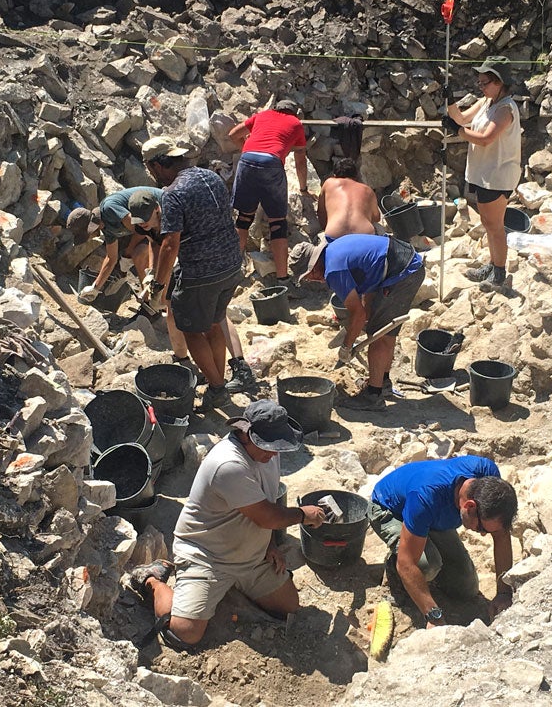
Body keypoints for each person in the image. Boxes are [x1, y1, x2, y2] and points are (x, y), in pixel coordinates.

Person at [129, 400, 328, 648]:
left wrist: (269, 546)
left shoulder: (265, 454)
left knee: (289, 607)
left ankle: (230, 587)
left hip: (248, 556)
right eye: (269, 446)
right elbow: (267, 516)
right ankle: (152, 579)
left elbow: (265, 502)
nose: (274, 454)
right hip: (208, 556)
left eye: (277, 446)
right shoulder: (228, 465)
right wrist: (303, 514)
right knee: (184, 633)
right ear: (245, 434)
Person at [143, 136, 243, 409]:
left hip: (202, 271)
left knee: (190, 329)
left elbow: (170, 244)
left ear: (157, 165)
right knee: (214, 322)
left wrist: (158, 284)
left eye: (150, 168)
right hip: (231, 263)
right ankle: (217, 383)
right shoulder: (210, 177)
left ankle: (218, 388)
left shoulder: (173, 193)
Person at [368, 455, 518, 626]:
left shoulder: (488, 477)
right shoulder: (425, 496)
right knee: (427, 565)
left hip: (431, 517)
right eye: (481, 528)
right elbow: (407, 564)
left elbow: (501, 535)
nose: (483, 534)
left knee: (466, 588)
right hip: (390, 509)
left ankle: (425, 553)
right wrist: (434, 615)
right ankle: (394, 569)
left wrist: (504, 593)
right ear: (469, 507)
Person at [292, 234, 425, 411]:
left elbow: (358, 314)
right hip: (404, 263)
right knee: (383, 330)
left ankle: (373, 396)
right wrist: (364, 318)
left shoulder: (333, 270)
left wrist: (346, 346)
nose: (312, 280)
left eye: (309, 276)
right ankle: (382, 382)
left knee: (378, 335)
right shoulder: (333, 250)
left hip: (403, 271)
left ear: (314, 266)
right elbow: (369, 282)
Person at [443, 56, 521, 288]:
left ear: (499, 82)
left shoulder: (505, 109)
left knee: (495, 225)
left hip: (497, 175)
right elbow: (462, 118)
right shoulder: (487, 102)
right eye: (479, 82)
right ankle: (494, 264)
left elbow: (486, 138)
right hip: (484, 173)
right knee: (488, 223)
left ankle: (499, 272)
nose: (480, 86)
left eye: (484, 82)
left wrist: (458, 131)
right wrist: (450, 102)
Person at [228, 99, 312, 288]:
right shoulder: (296, 124)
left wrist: (248, 151)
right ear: (294, 113)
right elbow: (300, 161)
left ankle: (231, 271)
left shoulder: (262, 115)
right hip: (271, 164)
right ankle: (282, 278)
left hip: (247, 160)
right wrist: (303, 189)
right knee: (277, 223)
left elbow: (233, 134)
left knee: (243, 219)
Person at [66, 187, 164, 303]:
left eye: (87, 236)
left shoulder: (109, 209)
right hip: (150, 223)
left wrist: (127, 255)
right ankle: (149, 301)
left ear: (90, 228)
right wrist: (95, 287)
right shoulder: (107, 228)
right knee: (140, 255)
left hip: (161, 208)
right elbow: (111, 258)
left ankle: (155, 300)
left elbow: (142, 229)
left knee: (139, 254)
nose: (89, 238)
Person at [316, 157, 381, 241]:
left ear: (335, 176)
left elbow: (321, 212)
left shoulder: (329, 183)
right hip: (364, 236)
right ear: (356, 176)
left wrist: (326, 227)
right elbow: (376, 217)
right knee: (378, 227)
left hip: (335, 236)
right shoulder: (367, 190)